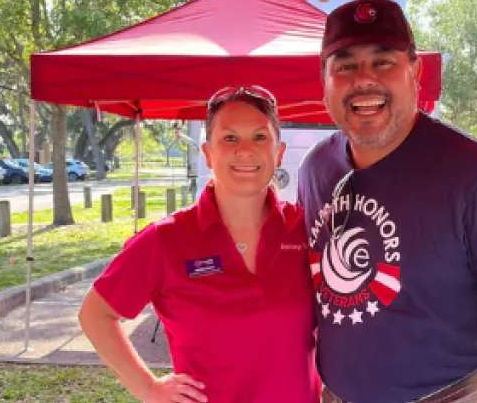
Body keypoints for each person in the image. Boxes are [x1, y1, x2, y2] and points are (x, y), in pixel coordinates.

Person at [298, 0, 477, 403]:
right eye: (345, 65)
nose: (364, 79)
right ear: (324, 81)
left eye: (384, 61)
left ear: (415, 72)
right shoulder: (315, 170)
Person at [80, 86, 320, 403]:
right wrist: (149, 389)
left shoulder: (307, 230)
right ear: (208, 154)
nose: (245, 149)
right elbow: (95, 315)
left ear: (279, 152)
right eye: (230, 138)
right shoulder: (165, 240)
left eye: (260, 138)